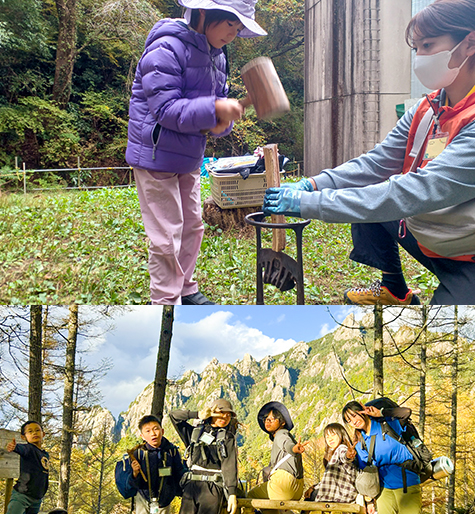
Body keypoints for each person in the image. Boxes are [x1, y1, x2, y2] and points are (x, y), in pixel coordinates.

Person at [264, 0, 475, 305]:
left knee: (448, 336)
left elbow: (414, 192)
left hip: (467, 254)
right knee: (366, 195)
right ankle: (393, 289)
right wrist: (312, 185)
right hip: (434, 237)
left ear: (469, 43)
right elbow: (375, 164)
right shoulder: (427, 108)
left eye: (428, 45)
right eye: (416, 48)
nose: (419, 58)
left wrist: (311, 203)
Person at [125, 0, 264, 305]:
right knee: (166, 235)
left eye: (239, 27)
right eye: (230, 23)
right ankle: (165, 302)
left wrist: (221, 121)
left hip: (188, 156)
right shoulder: (166, 48)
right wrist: (214, 108)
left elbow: (216, 112)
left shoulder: (218, 57)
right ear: (204, 12)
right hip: (155, 155)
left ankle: (185, 288)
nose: (234, 33)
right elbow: (165, 109)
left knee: (193, 226)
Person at [117, 415, 185, 514]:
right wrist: (134, 473)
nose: (153, 433)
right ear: (142, 435)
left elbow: (178, 473)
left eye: (155, 429)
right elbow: (133, 482)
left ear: (162, 430)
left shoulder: (172, 451)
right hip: (144, 497)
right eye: (147, 431)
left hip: (164, 499)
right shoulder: (138, 453)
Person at [295, 423, 373, 514]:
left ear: (341, 435)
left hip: (343, 493)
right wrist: (314, 487)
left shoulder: (342, 449)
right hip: (338, 492)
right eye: (326, 436)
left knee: (308, 503)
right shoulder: (334, 453)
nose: (329, 438)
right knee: (324, 507)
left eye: (333, 434)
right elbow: (330, 482)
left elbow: (345, 457)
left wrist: (349, 456)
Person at [242, 402, 304, 514]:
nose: (267, 421)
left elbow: (287, 444)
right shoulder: (284, 436)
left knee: (252, 497)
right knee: (267, 497)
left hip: (283, 483)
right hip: (297, 487)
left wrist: (294, 449)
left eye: (272, 418)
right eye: (266, 419)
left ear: (282, 422)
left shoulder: (281, 434)